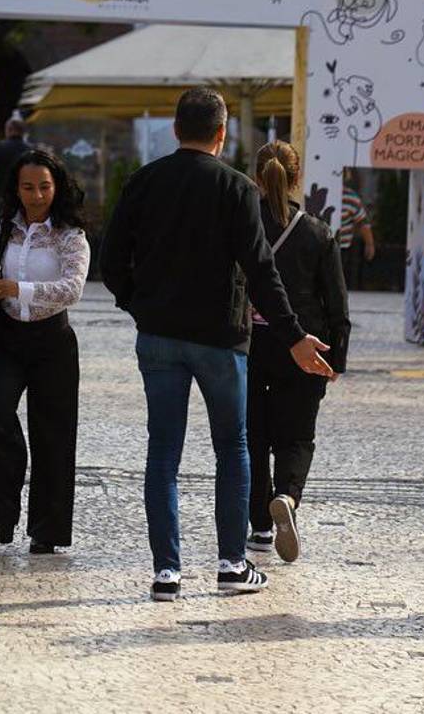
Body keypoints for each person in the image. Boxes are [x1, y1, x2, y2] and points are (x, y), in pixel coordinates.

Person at [102, 87, 335, 601]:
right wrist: (294, 336)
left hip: (159, 336)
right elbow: (261, 271)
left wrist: (139, 306)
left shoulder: (144, 182)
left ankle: (167, 572)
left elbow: (111, 260)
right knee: (232, 447)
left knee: (163, 451)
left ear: (175, 129)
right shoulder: (237, 188)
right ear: (222, 134)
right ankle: (232, 564)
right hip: (221, 339)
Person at [0, 149, 89, 554]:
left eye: (44, 187)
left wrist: (18, 289)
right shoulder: (8, 227)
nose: (37, 195)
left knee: (53, 433)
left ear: (57, 187)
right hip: (6, 338)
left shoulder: (70, 235)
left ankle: (47, 529)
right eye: (28, 187)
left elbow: (71, 289)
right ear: (16, 189)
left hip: (52, 342)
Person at [245, 141, 350, 563]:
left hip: (249, 344)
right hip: (305, 346)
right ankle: (287, 495)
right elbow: (336, 303)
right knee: (297, 436)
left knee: (252, 438)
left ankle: (259, 526)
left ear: (256, 177)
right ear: (297, 178)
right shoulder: (318, 233)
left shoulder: (242, 226)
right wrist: (336, 359)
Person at [0, 118, 32, 266]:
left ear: (8, 130)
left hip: (3, 199)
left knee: (2, 235)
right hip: (26, 199)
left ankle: (3, 266)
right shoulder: (30, 150)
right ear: (23, 132)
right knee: (26, 233)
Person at [338, 171, 376, 289]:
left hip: (340, 247)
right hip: (338, 246)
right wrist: (369, 244)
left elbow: (362, 222)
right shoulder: (351, 197)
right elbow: (362, 222)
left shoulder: (350, 197)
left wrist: (369, 244)